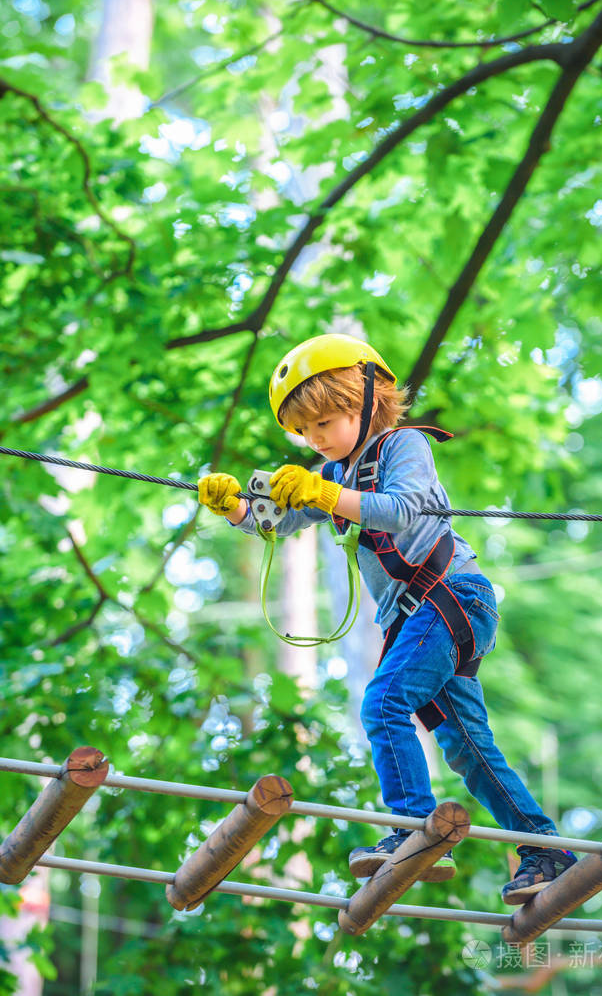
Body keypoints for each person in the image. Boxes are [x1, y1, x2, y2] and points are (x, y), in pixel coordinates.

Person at [198, 333, 576, 902]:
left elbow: (399, 511)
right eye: (303, 431)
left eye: (324, 422)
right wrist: (234, 508)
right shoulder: (335, 476)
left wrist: (322, 494)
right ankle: (546, 852)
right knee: (468, 750)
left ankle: (413, 830)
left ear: (366, 399)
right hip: (418, 618)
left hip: (450, 596)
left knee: (382, 702)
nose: (314, 439)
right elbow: (276, 521)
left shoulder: (403, 446)